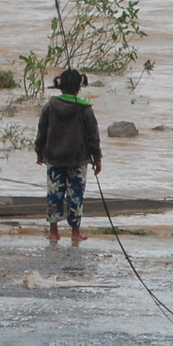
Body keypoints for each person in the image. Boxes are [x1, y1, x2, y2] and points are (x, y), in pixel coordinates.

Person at [35, 68, 102, 245]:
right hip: (78, 160)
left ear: (60, 86)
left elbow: (42, 131)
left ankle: (53, 231)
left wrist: (39, 152)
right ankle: (75, 233)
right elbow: (93, 136)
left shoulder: (49, 106)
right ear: (79, 87)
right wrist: (97, 158)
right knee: (76, 196)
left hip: (54, 158)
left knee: (54, 193)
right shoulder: (85, 109)